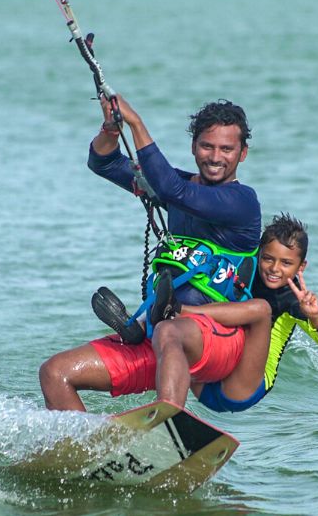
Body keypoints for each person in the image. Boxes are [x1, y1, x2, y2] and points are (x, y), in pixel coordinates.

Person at [38, 94, 261, 411]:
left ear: (243, 153)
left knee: (170, 331)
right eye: (206, 146)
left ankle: (166, 420)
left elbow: (173, 190)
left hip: (218, 339)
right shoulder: (177, 187)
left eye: (226, 149)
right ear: (193, 147)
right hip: (162, 338)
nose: (215, 157)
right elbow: (104, 162)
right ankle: (87, 443)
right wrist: (111, 129)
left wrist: (135, 122)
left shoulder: (242, 202)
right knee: (55, 372)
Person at [151, 213, 318, 412]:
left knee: (260, 309)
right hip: (206, 377)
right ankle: (167, 410)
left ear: (301, 266)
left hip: (243, 386)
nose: (275, 268)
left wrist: (314, 315)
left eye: (286, 263)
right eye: (268, 259)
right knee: (174, 328)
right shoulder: (245, 270)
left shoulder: (292, 299)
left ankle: (178, 309)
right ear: (259, 253)